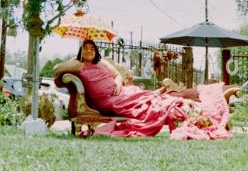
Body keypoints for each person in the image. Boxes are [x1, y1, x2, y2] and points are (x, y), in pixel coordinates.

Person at [54, 40, 238, 139]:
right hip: (107, 100)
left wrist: (118, 84)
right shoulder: (77, 65)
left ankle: (180, 103)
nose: (89, 51)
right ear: (81, 51)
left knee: (153, 99)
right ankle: (166, 99)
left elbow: (117, 75)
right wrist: (74, 60)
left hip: (119, 91)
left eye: (92, 48)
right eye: (86, 48)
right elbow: (57, 70)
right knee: (151, 101)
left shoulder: (101, 62)